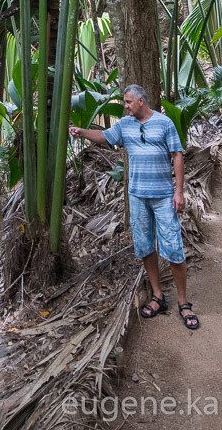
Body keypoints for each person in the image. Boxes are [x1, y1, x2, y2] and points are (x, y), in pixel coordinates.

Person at [70, 84, 199, 329]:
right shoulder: (125, 125)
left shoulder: (164, 123)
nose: (125, 106)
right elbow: (105, 137)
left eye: (128, 102)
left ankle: (184, 302)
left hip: (163, 196)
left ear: (141, 101)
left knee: (173, 247)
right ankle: (158, 295)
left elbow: (177, 155)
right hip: (137, 196)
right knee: (144, 246)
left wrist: (179, 191)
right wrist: (82, 132)